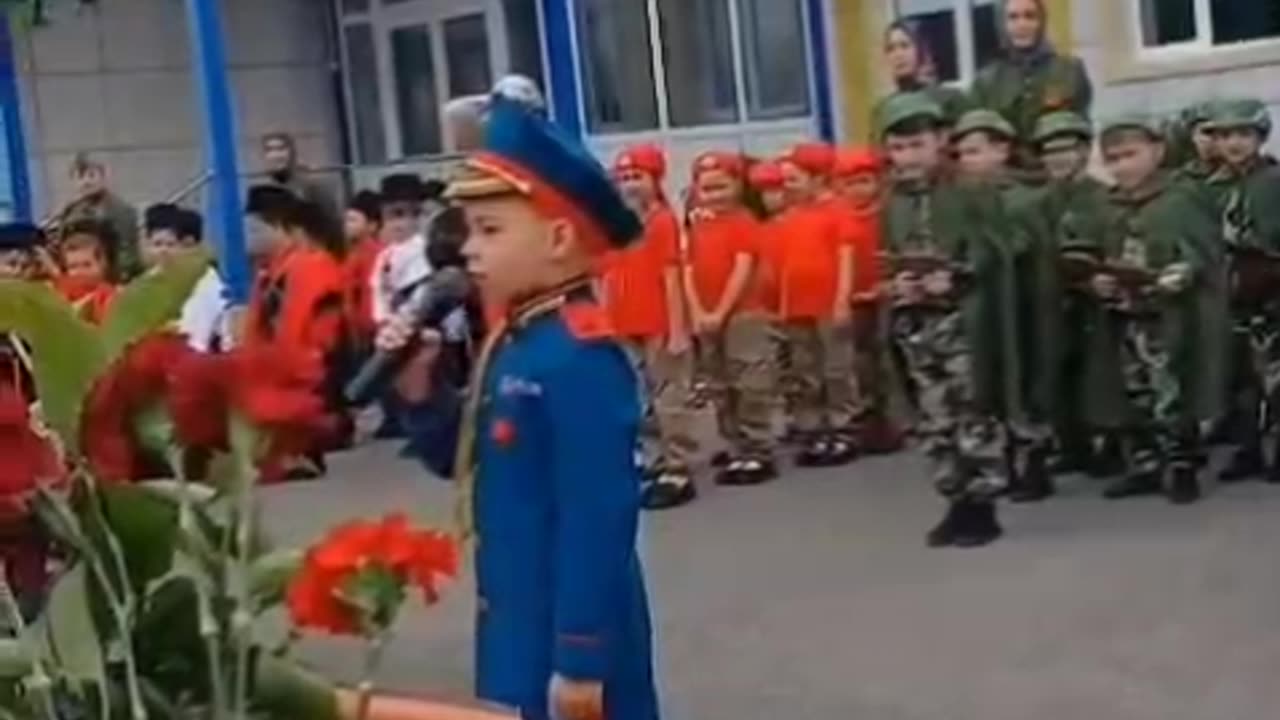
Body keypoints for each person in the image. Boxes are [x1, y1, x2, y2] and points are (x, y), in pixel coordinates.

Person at [379, 96, 659, 720]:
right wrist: (421, 389)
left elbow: (599, 518)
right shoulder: (516, 341)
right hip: (515, 620)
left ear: (559, 239)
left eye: (490, 230)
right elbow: (472, 462)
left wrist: (582, 659)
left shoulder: (579, 357)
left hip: (570, 631)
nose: (468, 251)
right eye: (468, 229)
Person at [880, 94, 1009, 547]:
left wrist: (955, 276)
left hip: (962, 321)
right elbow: (888, 256)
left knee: (972, 410)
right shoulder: (892, 201)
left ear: (940, 142)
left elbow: (994, 250)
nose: (908, 157)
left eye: (917, 145)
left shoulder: (968, 191)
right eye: (898, 148)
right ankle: (954, 499)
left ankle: (983, 503)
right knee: (934, 415)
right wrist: (899, 285)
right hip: (917, 325)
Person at [1083, 115, 1219, 505]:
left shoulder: (1182, 196)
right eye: (1113, 158)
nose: (1122, 165)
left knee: (1171, 391)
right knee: (1132, 391)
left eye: (1131, 154)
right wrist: (1097, 280)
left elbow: (1203, 253)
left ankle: (1181, 465)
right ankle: (1144, 464)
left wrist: (1177, 274)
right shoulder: (1105, 203)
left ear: (1157, 151)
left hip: (1169, 316)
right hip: (1123, 315)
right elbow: (1090, 252)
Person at [1018, 112, 1117, 487]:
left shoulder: (1103, 197)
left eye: (1066, 149)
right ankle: (1072, 444)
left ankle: (1111, 442)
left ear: (1084, 150)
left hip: (1096, 298)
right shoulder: (1036, 203)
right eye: (1049, 151)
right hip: (1051, 297)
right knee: (1055, 372)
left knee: (1101, 373)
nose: (1057, 158)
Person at [601, 145, 697, 510]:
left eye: (637, 177)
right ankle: (656, 456)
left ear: (655, 181)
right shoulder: (618, 226)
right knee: (640, 399)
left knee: (670, 396)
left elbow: (671, 276)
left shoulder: (662, 222)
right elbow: (608, 277)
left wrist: (677, 328)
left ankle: (678, 465)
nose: (630, 185)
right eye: (624, 178)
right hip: (625, 324)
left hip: (658, 322)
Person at [1200, 99, 1280, 484]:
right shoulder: (1209, 188)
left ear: (1260, 137)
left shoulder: (1273, 181)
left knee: (1275, 375)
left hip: (1271, 292)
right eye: (1225, 135)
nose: (1233, 143)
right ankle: (1247, 449)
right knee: (1239, 377)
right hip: (1227, 293)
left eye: (1243, 134)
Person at [243, 186, 349, 477]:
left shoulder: (307, 266)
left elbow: (312, 323)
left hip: (303, 364)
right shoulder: (272, 270)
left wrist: (302, 362)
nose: (251, 237)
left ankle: (301, 453)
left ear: (279, 226)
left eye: (257, 228)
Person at [685, 151, 777, 485]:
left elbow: (742, 268)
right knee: (719, 382)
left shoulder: (744, 222)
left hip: (743, 314)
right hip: (706, 317)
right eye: (706, 188)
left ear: (738, 186)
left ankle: (757, 446)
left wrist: (720, 311)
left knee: (749, 378)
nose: (714, 195)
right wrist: (697, 311)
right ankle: (734, 440)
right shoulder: (698, 225)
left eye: (721, 187)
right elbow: (688, 268)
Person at [772, 143, 859, 467]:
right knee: (805, 368)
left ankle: (843, 426)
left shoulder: (838, 211)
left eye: (794, 179)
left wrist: (841, 300)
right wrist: (783, 304)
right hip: (797, 304)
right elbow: (784, 266)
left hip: (827, 302)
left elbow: (845, 256)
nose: (787, 187)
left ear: (818, 179)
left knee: (837, 366)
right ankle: (813, 425)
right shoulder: (791, 217)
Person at [0, 222, 63, 618]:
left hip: (33, 444)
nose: (16, 272)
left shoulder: (41, 311)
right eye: (9, 263)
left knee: (32, 529)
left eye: (24, 264)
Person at [831, 147, 905, 454]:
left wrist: (884, 287)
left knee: (887, 356)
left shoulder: (887, 216)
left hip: (883, 295)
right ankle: (869, 418)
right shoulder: (838, 218)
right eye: (849, 183)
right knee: (860, 362)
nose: (858, 189)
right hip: (852, 299)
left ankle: (895, 420)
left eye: (864, 181)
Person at [970, 0, 1093, 178]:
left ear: (1041, 22)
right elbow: (980, 138)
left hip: (1060, 174)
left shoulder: (1069, 70)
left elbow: (1083, 128)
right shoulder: (987, 80)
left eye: (1030, 16)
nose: (1022, 25)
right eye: (1013, 18)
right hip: (1007, 180)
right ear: (1002, 24)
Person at [141, 203, 233, 353]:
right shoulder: (150, 277)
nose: (163, 251)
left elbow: (197, 341)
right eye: (157, 244)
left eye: (170, 244)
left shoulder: (205, 282)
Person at [874, 19, 971, 133]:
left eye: (905, 46)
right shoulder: (883, 108)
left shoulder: (950, 99)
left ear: (922, 50)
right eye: (891, 49)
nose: (898, 55)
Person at [56, 153, 140, 280]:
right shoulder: (70, 210)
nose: (86, 182)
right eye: (80, 177)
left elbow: (127, 250)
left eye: (91, 175)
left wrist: (115, 277)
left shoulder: (120, 210)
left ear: (103, 177)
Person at [342, 190, 387, 356]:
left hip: (366, 330)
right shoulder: (356, 252)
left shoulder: (370, 254)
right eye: (346, 220)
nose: (347, 225)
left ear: (372, 226)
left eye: (353, 220)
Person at [261, 132, 339, 221]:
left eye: (281, 149)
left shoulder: (312, 182)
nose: (276, 155)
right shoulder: (268, 187)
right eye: (269, 150)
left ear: (291, 152)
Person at [54, 219, 118, 325]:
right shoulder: (60, 297)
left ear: (103, 265)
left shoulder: (112, 298)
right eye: (73, 267)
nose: (80, 272)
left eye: (87, 265)